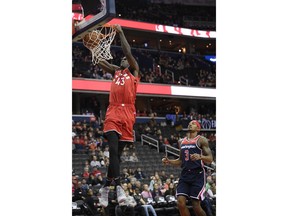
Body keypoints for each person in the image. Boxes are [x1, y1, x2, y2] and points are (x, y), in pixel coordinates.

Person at [97, 24, 140, 208]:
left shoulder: (135, 71)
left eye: (125, 59)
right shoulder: (116, 71)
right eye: (121, 59)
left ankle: (106, 186)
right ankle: (119, 185)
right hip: (114, 111)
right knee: (113, 150)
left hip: (128, 114)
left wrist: (121, 33)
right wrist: (92, 45)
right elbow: (100, 62)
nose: (123, 59)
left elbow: (127, 51)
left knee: (117, 156)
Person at [162, 120, 213, 216]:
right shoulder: (181, 141)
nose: (190, 124)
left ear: (198, 128)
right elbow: (181, 160)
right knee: (180, 203)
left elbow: (210, 159)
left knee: (196, 205)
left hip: (198, 175)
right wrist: (169, 161)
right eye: (190, 123)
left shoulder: (201, 140)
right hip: (185, 174)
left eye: (193, 123)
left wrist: (200, 157)